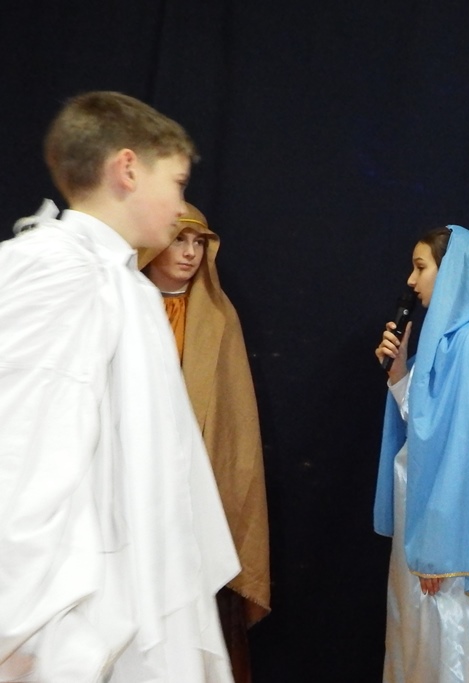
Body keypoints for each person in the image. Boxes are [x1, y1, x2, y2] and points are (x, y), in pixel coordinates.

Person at [0, 91, 239, 682]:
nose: (181, 206)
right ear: (127, 169)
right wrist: (15, 624)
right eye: (176, 183)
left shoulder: (125, 283)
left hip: (136, 591)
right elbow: (21, 451)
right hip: (68, 618)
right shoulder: (56, 269)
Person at [373, 225, 469, 682]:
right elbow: (427, 428)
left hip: (454, 545)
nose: (411, 280)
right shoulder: (446, 342)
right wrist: (399, 371)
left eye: (421, 267)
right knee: (424, 646)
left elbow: (466, 453)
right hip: (426, 529)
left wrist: (439, 550)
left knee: (455, 651)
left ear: (454, 271)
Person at [139, 204, 271, 683]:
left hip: (198, 497)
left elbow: (235, 426)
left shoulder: (217, 316)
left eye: (199, 243)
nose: (190, 253)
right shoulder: (125, 307)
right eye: (180, 239)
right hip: (136, 487)